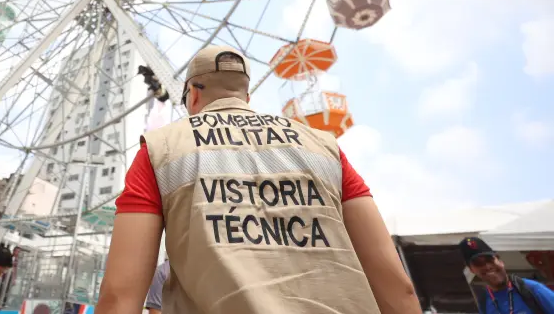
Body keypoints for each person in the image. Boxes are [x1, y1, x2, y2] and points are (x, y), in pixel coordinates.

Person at [95, 45, 422, 314]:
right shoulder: (325, 148)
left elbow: (120, 297)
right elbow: (398, 287)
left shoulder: (160, 149)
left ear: (193, 95)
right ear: (246, 97)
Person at [459, 237, 554, 313]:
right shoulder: (484, 302)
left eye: (489, 259)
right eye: (478, 263)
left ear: (499, 260)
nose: (487, 266)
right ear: (471, 269)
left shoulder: (531, 289)